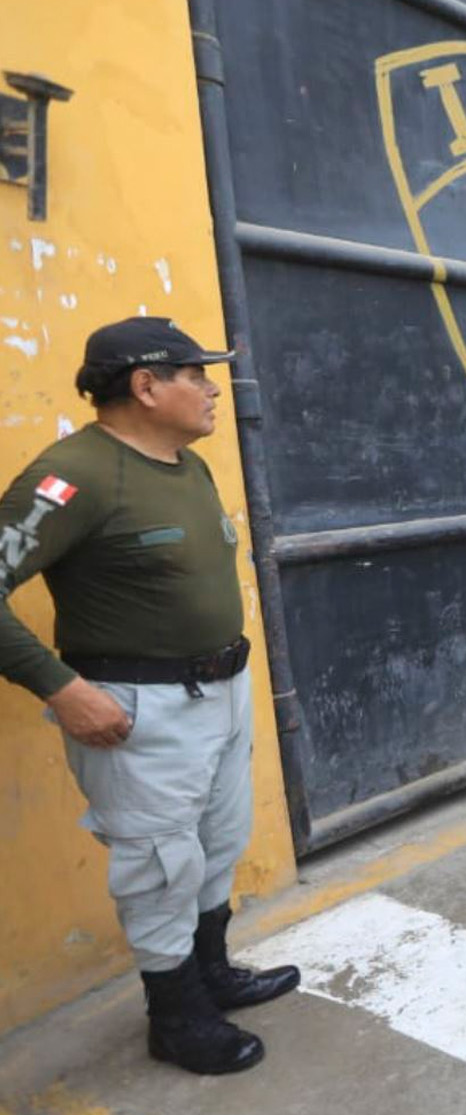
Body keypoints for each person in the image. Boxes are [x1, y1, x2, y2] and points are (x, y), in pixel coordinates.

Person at [0, 316, 300, 1075]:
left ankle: (211, 975)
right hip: (138, 711)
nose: (211, 390)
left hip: (219, 695)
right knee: (160, 866)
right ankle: (175, 1017)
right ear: (145, 385)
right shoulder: (72, 475)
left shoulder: (185, 466)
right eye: (195, 375)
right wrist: (61, 687)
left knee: (217, 843)